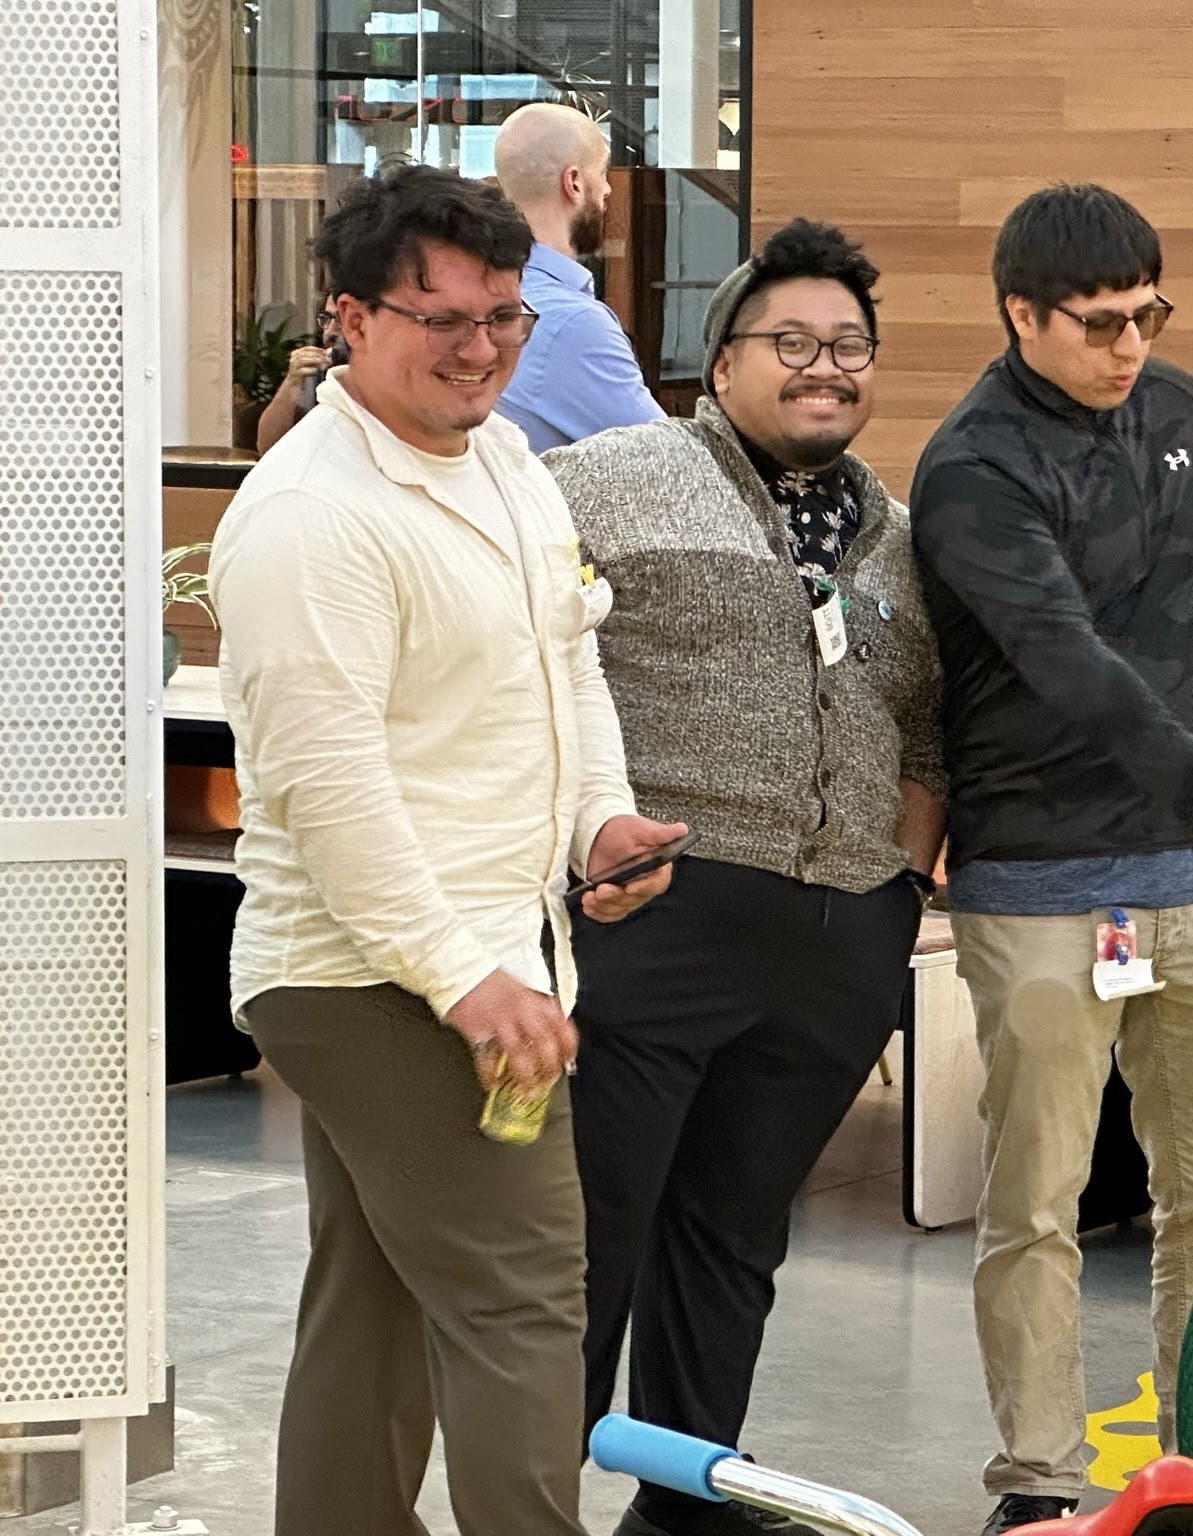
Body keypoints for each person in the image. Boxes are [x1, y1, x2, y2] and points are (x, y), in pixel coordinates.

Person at [208, 162, 687, 1536]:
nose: (481, 350)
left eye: (505, 316)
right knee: (525, 1301)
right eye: (442, 319)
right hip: (379, 979)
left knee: (372, 1314)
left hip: (483, 952)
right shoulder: (313, 520)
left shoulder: (505, 459)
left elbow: (567, 659)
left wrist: (602, 817)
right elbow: (328, 789)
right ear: (351, 319)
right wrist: (468, 983)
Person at [908, 183, 1193, 1536]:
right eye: (1098, 324)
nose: (1130, 344)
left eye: (1149, 314)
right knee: (1036, 1202)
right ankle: (1038, 1486)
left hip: (1192, 867)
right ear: (1020, 315)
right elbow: (1060, 655)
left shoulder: (1177, 407)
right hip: (1039, 874)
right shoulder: (972, 466)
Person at [543, 219, 945, 1536]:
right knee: (588, 1242)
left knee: (731, 1245)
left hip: (839, 935)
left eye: (849, 347)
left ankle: (685, 1508)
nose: (823, 366)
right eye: (792, 343)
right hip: (664, 913)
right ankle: (528, 1496)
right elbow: (519, 645)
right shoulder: (609, 476)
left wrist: (902, 889)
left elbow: (926, 727)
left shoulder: (894, 536)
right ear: (722, 364)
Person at [493, 101, 665, 451]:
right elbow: (666, 462)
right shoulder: (571, 322)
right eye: (601, 172)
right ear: (573, 182)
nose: (607, 189)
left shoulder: (491, 291)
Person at [253, 298, 347, 456]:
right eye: (325, 319)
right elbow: (267, 447)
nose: (329, 331)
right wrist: (292, 381)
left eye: (339, 320)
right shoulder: (315, 369)